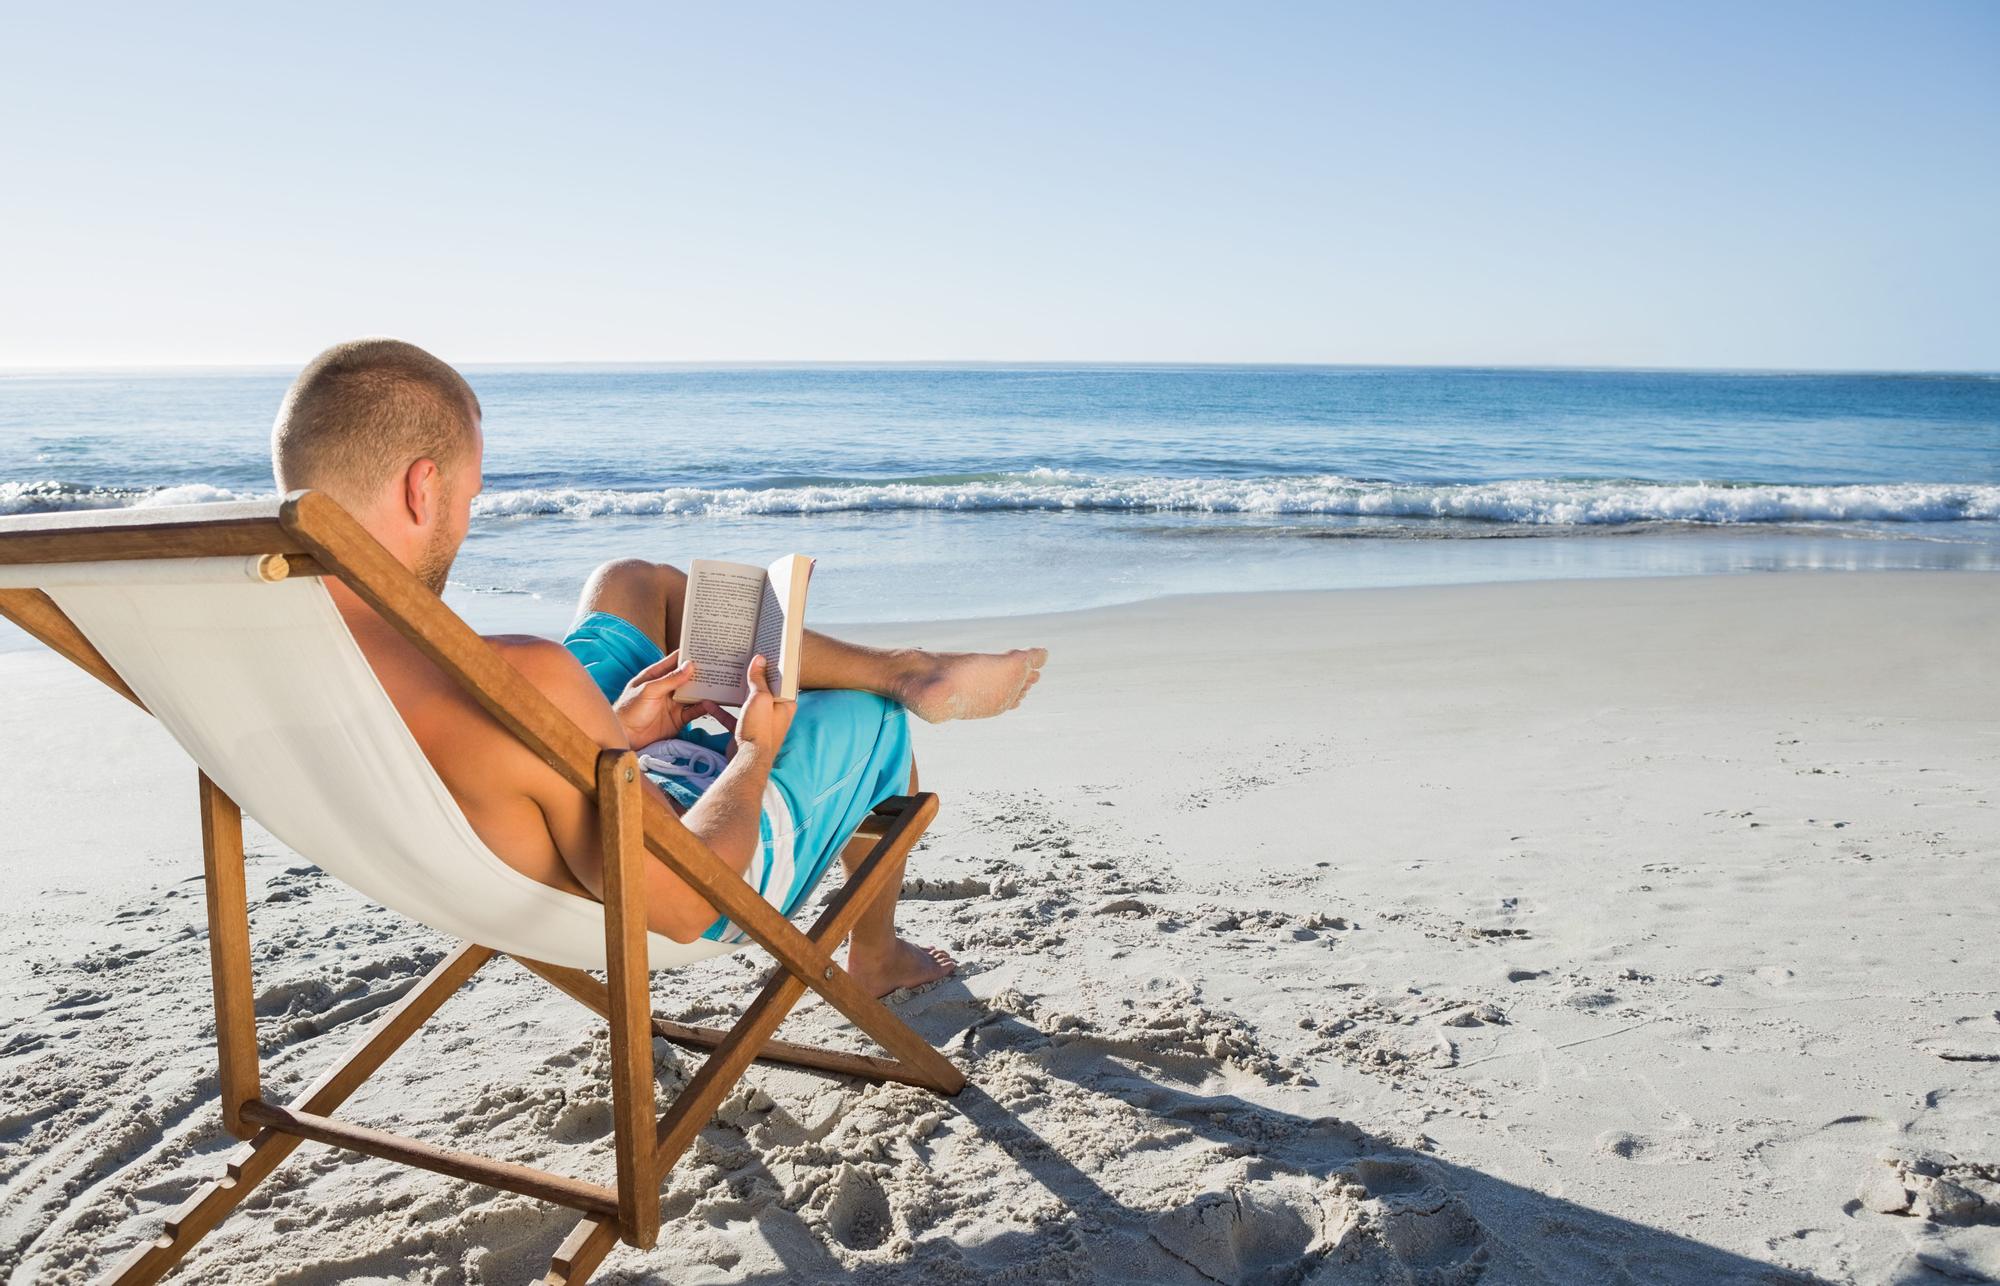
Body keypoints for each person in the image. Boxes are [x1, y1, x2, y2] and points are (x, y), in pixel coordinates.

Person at [270, 338, 1046, 997]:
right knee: (870, 718)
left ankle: (910, 666)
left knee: (632, 585)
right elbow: (683, 904)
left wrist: (611, 730)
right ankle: (876, 951)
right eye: (471, 495)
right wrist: (753, 752)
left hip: (491, 814)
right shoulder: (521, 677)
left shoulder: (246, 651)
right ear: (421, 487)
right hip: (658, 874)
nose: (470, 518)